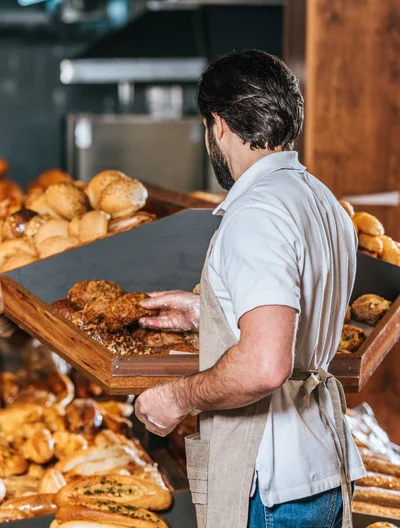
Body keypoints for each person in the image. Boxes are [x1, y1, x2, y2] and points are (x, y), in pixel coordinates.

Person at [135, 50, 366, 528]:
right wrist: (207, 312)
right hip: (320, 468)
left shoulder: (256, 213)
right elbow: (296, 316)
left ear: (217, 125)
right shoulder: (323, 202)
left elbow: (264, 366)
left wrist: (177, 399)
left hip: (272, 489)